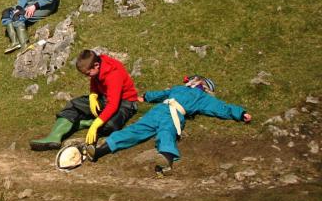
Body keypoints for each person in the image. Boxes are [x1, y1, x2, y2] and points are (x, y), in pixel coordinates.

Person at [85, 75, 252, 175]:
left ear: (202, 85)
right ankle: (99, 151)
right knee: (134, 130)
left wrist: (240, 113)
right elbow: (162, 94)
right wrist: (146, 97)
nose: (192, 81)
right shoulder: (178, 88)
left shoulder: (203, 98)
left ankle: (166, 160)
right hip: (160, 110)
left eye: (195, 80)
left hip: (173, 113)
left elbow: (220, 108)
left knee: (166, 133)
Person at [29, 49, 137, 151]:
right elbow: (94, 80)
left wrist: (96, 125)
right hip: (104, 98)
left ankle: (87, 123)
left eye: (87, 73)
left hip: (124, 103)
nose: (87, 76)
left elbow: (113, 105)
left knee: (110, 126)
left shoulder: (113, 74)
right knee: (73, 105)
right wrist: (93, 95)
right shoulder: (97, 66)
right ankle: (54, 137)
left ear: (96, 65)